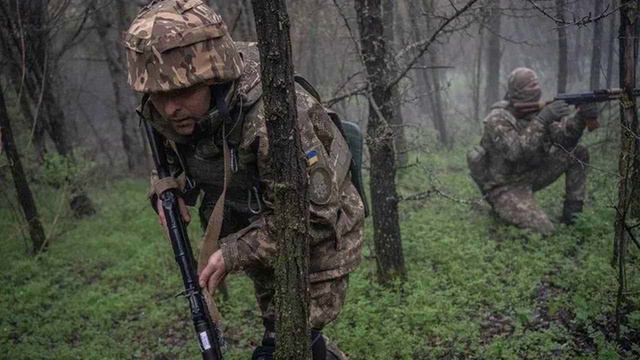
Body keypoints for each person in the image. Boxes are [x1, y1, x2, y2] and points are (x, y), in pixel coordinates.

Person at [122, 1, 364, 358]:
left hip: (320, 240)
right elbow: (171, 154)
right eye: (160, 96)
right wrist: (164, 185)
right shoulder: (173, 106)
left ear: (214, 77)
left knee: (287, 344)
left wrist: (234, 251)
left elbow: (315, 216)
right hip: (258, 227)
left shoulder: (274, 116)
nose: (170, 108)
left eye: (181, 92)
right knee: (287, 335)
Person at [467, 67, 598, 235]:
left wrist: (581, 117)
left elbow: (564, 140)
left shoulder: (538, 112)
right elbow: (516, 153)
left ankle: (572, 217)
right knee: (544, 230)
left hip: (532, 174)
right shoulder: (497, 118)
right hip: (505, 186)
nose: (536, 89)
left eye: (537, 84)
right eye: (530, 86)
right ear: (517, 91)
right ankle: (501, 208)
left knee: (578, 152)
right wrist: (541, 120)